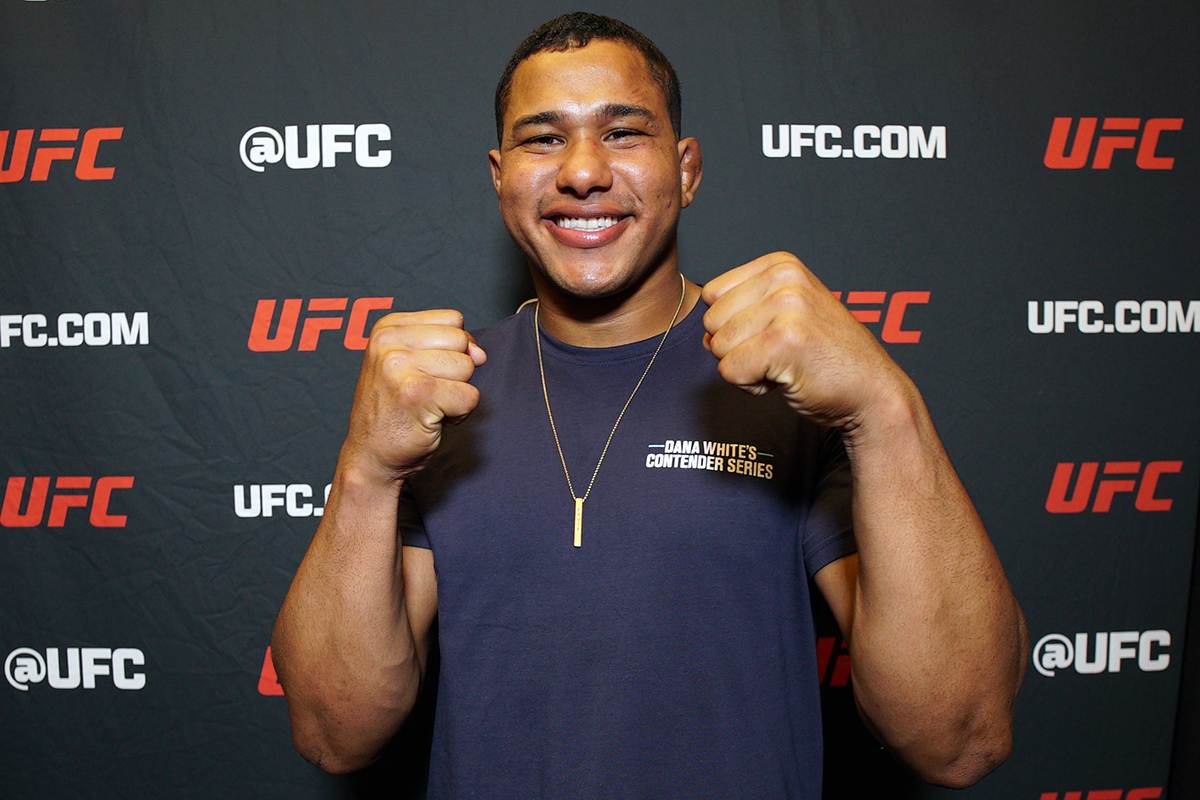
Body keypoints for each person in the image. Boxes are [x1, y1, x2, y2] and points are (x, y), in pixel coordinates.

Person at [271, 12, 1028, 798]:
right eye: (543, 139)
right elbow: (333, 734)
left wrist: (885, 409)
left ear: (686, 169)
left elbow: (960, 739)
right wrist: (366, 470)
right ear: (500, 176)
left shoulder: (793, 386)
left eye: (623, 133)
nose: (583, 171)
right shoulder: (445, 394)